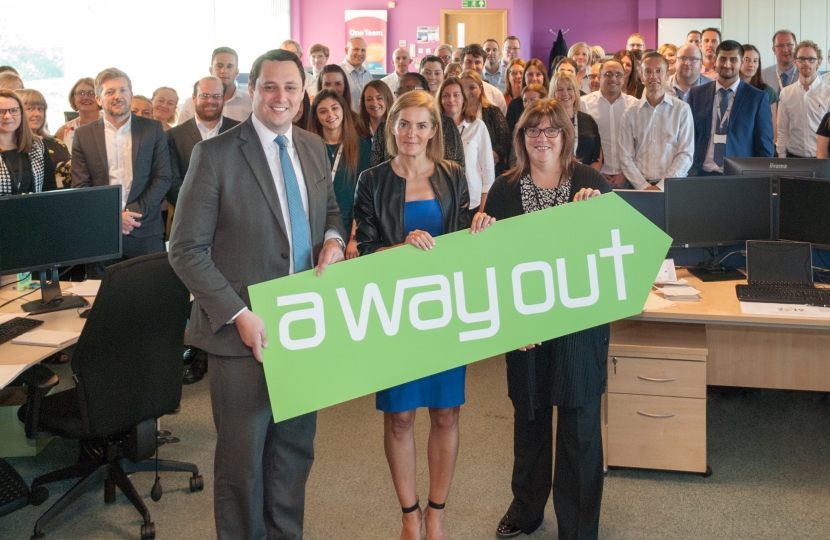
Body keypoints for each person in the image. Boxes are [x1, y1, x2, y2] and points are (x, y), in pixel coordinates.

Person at [169, 49, 346, 540]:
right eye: (270, 87)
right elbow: (185, 250)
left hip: (303, 328)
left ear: (304, 93)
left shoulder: (312, 147)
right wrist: (240, 314)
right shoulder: (216, 155)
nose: (280, 98)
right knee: (241, 465)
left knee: (293, 454)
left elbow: (331, 212)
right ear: (251, 91)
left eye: (291, 88)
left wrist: (333, 241)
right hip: (241, 335)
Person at [353, 89, 493, 540]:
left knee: (446, 413)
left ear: (435, 131)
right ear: (392, 127)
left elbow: (461, 241)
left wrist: (480, 229)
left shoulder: (453, 175)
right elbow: (367, 251)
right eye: (404, 124)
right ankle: (409, 514)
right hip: (395, 314)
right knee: (399, 417)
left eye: (422, 125)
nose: (412, 133)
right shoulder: (371, 181)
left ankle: (436, 511)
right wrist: (400, 247)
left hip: (444, 312)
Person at [488, 98, 610, 540]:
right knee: (531, 421)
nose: (542, 139)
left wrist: (598, 214)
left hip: (580, 326)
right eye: (533, 132)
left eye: (551, 131)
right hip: (527, 326)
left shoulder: (590, 181)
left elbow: (613, 252)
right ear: (522, 138)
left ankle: (578, 527)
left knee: (579, 429)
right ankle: (527, 510)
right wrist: (482, 233)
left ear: (566, 137)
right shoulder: (505, 188)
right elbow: (494, 264)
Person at [165, 76, 240, 385]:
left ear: (224, 98)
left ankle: (218, 349)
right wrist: (200, 208)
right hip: (189, 225)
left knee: (222, 282)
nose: (210, 101)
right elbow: (170, 180)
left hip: (231, 225)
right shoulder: (175, 136)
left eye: (216, 96)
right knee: (193, 287)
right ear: (193, 98)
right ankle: (196, 351)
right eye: (204, 96)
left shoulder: (239, 129)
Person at [71, 68, 171, 263]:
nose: (118, 96)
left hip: (146, 231)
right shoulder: (83, 135)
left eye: (123, 90)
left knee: (150, 291)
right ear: (99, 99)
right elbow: (80, 186)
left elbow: (163, 177)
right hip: (101, 233)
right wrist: (114, 217)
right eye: (110, 92)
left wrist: (130, 214)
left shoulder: (152, 129)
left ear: (131, 95)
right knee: (99, 292)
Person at [687, 41, 774, 176]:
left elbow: (764, 145)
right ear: (715, 60)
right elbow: (688, 137)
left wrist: (762, 179)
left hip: (739, 177)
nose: (727, 64)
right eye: (722, 59)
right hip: (701, 173)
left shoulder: (757, 98)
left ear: (741, 62)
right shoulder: (697, 94)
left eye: (733, 60)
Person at [307, 89, 371, 259]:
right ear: (316, 117)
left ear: (343, 110)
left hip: (349, 228)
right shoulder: (308, 147)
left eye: (335, 108)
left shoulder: (360, 146)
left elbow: (363, 198)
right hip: (314, 229)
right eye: (323, 111)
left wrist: (353, 238)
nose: (330, 114)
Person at [619, 52, 694, 190]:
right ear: (641, 76)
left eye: (659, 71)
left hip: (673, 187)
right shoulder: (630, 113)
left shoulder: (682, 110)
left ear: (667, 75)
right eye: (648, 71)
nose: (653, 76)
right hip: (638, 187)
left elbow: (686, 154)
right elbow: (625, 156)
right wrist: (643, 186)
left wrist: (661, 186)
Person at [369, 73, 464, 171]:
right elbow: (375, 167)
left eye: (411, 90)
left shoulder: (445, 124)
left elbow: (457, 164)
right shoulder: (384, 128)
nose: (405, 96)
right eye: (399, 92)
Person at [438, 76, 495, 215]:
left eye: (456, 95)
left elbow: (488, 171)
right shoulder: (433, 128)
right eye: (446, 95)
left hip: (473, 203)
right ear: (440, 99)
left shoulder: (478, 126)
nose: (451, 100)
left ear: (463, 98)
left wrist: (482, 210)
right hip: (441, 202)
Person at [582, 59, 638, 189]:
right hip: (595, 179)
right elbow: (583, 146)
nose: (613, 78)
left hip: (630, 180)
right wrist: (597, 173)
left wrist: (626, 174)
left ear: (624, 78)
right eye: (608, 74)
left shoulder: (635, 105)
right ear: (599, 77)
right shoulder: (583, 104)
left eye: (618, 75)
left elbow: (640, 145)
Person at [777, 40, 830, 158]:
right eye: (801, 59)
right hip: (793, 158)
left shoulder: (828, 94)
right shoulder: (786, 93)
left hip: (821, 158)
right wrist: (781, 159)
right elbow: (782, 130)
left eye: (811, 59)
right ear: (795, 61)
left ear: (819, 62)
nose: (806, 63)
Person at [0, 89, 57, 195]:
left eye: (14, 110)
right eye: (1, 111)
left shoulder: (38, 145)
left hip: (35, 210)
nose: (8, 116)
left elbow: (49, 189)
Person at [179, 47, 251, 124]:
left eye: (229, 66)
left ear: (237, 72)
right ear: (211, 70)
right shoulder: (191, 103)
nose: (224, 71)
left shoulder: (250, 103)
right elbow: (180, 134)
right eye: (219, 66)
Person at [461, 69, 511, 176]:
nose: (467, 92)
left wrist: (482, 159)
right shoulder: (453, 113)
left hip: (492, 172)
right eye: (463, 88)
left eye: (472, 87)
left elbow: (504, 143)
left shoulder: (493, 111)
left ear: (480, 89)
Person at [18, 88, 71, 187]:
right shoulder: (12, 145)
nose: (37, 114)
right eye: (30, 108)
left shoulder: (56, 142)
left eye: (40, 109)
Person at [549, 72, 602, 171]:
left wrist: (588, 180)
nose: (565, 93)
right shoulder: (547, 121)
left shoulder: (588, 120)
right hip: (554, 178)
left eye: (569, 89)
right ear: (553, 93)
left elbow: (597, 157)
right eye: (560, 90)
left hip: (585, 180)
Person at [740, 44, 779, 142]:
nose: (751, 65)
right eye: (747, 60)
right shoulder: (730, 89)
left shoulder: (767, 92)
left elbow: (772, 129)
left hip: (758, 147)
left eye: (755, 61)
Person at [55, 78, 102, 153]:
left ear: (100, 98)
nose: (86, 97)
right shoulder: (62, 132)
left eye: (91, 93)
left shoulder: (112, 126)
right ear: (74, 99)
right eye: (81, 93)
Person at [506, 59, 550, 134]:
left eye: (538, 74)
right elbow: (508, 135)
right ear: (524, 78)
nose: (534, 78)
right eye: (530, 74)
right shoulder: (515, 105)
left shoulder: (552, 104)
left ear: (544, 77)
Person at [462, 44, 508, 114]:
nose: (473, 67)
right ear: (461, 64)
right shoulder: (451, 92)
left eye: (477, 62)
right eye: (469, 62)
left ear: (483, 65)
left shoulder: (496, 94)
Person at [340, 37, 373, 111]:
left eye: (363, 50)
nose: (360, 53)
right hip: (346, 120)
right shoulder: (337, 73)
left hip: (365, 120)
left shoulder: (368, 75)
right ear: (346, 50)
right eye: (356, 49)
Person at [762, 30, 798, 95]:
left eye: (789, 45)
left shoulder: (808, 75)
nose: (785, 50)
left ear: (796, 47)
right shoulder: (763, 76)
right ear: (774, 50)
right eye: (781, 46)